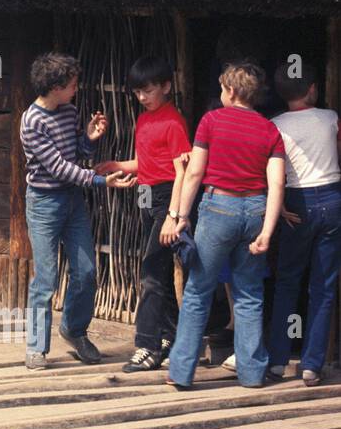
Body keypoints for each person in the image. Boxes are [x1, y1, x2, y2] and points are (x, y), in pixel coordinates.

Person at [161, 62, 286, 389]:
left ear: (230, 91)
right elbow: (276, 185)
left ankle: (182, 371)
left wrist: (180, 216)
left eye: (221, 88)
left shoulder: (211, 120)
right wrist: (267, 233)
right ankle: (253, 373)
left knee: (198, 290)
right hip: (256, 210)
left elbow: (196, 173)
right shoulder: (270, 130)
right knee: (249, 294)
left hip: (219, 208)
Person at [20, 52, 134, 370]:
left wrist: (89, 137)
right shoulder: (31, 122)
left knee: (86, 272)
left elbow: (76, 155)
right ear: (55, 86)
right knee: (46, 278)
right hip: (44, 203)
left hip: (72, 200)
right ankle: (36, 347)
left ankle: (74, 330)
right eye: (71, 84)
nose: (76, 89)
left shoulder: (68, 111)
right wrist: (100, 181)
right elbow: (58, 168)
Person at [95, 55, 192, 373]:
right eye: (137, 92)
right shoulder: (144, 119)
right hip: (146, 194)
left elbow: (183, 172)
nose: (142, 97)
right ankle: (169, 337)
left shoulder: (174, 121)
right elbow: (145, 162)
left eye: (148, 90)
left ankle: (147, 345)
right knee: (157, 270)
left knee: (151, 273)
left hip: (166, 197)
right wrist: (117, 166)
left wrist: (173, 215)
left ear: (166, 86)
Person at [267, 61, 341, 386]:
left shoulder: (274, 125)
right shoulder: (331, 118)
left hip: (295, 201)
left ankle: (277, 361)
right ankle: (311, 365)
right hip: (332, 200)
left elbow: (271, 171)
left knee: (287, 282)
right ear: (312, 89)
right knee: (323, 287)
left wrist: (279, 203)